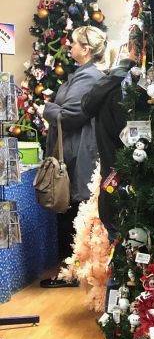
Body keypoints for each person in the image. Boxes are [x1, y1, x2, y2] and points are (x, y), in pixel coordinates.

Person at [39, 26, 107, 288]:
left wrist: (48, 108)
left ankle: (70, 272)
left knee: (71, 211)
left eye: (74, 44)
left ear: (86, 49)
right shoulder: (81, 75)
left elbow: (70, 115)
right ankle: (71, 270)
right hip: (71, 152)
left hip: (77, 153)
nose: (70, 47)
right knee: (68, 211)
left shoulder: (88, 77)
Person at [81, 38, 139, 239]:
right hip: (127, 171)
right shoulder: (127, 84)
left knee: (116, 228)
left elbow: (87, 105)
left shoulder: (109, 83)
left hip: (112, 170)